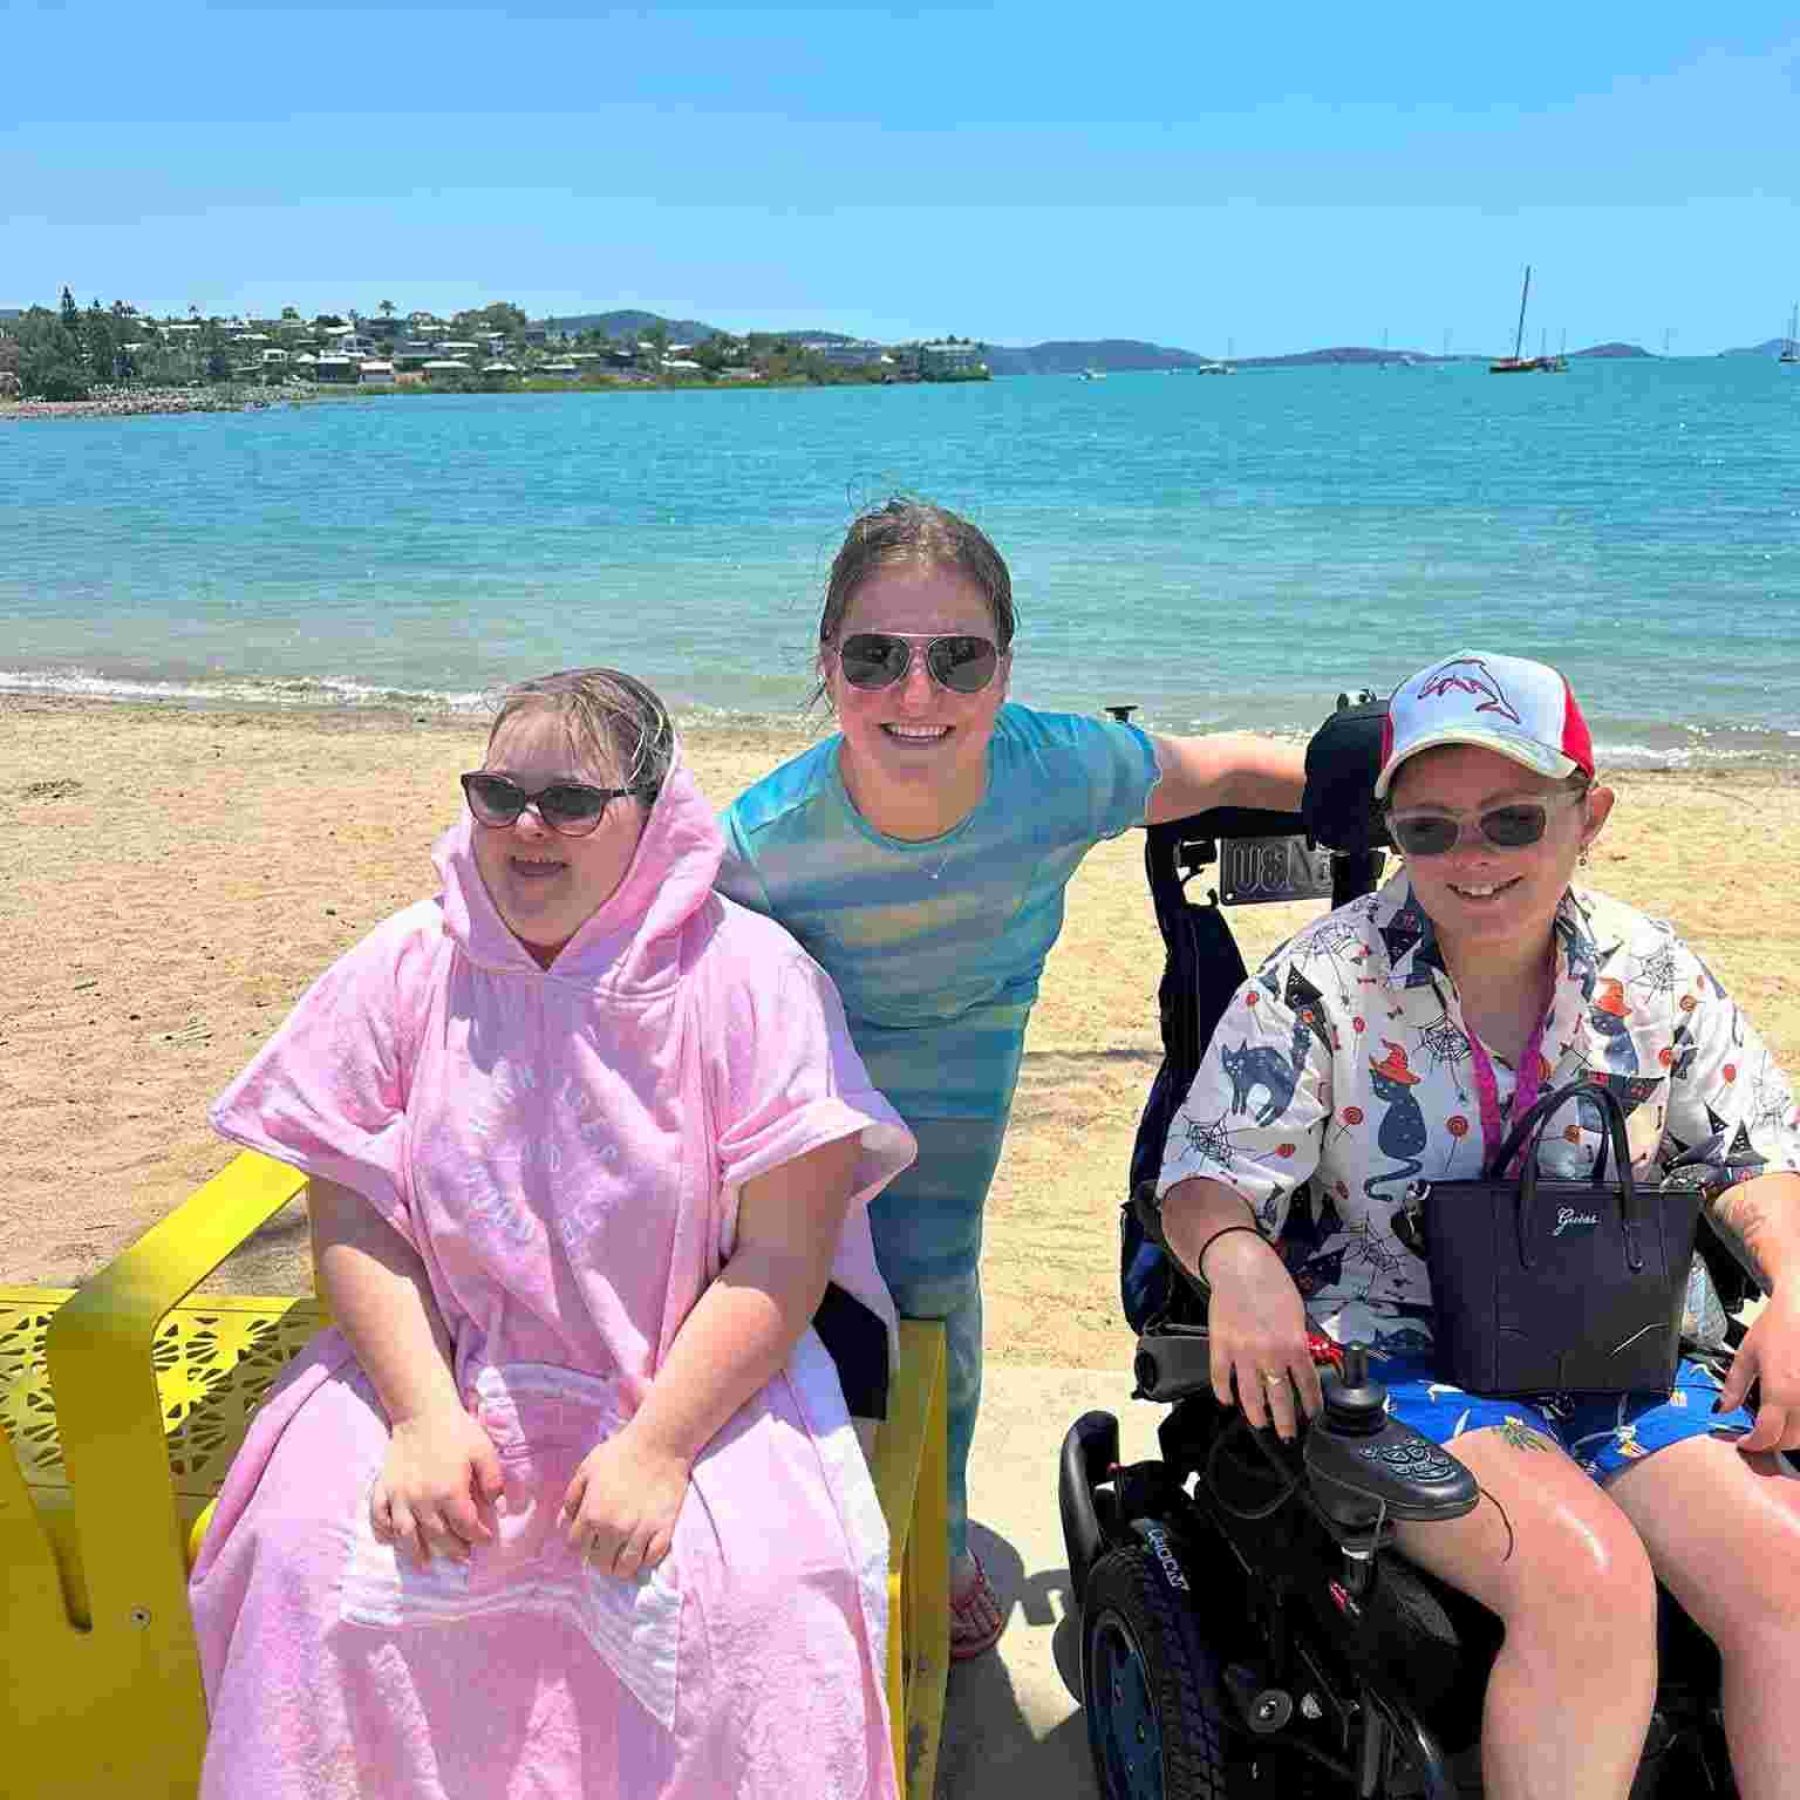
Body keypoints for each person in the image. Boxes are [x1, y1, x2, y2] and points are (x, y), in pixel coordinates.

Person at [189, 669, 914, 1799]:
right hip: (439, 1360)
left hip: (692, 1378)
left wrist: (660, 1447)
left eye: (573, 803)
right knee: (299, 1558)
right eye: (498, 792)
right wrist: (425, 1417)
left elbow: (782, 1255)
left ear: (653, 811)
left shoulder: (750, 979)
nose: (529, 827)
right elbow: (352, 1218)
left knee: (771, 1598)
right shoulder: (408, 965)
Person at [1158, 649, 1800, 1800]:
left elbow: (1751, 1158)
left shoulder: (1652, 974)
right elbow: (1208, 1175)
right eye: (1432, 829)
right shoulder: (1322, 985)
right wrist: (1239, 1258)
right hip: (1399, 1358)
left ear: (1586, 814)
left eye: (1512, 821)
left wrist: (1797, 1284)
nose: (1475, 860)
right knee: (1584, 1582)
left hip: (1616, 1347)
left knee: (1789, 1575)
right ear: (1394, 833)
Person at [717, 499, 1307, 1656]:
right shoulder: (764, 839)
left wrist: (1409, 775)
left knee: (940, 1302)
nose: (918, 694)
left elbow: (1218, 768)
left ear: (1005, 670)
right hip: (823, 1084)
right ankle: (821, 1528)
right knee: (814, 1308)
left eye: (959, 659)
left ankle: (933, 1540)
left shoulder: (1059, 770)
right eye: (876, 658)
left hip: (968, 1075)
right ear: (827, 665)